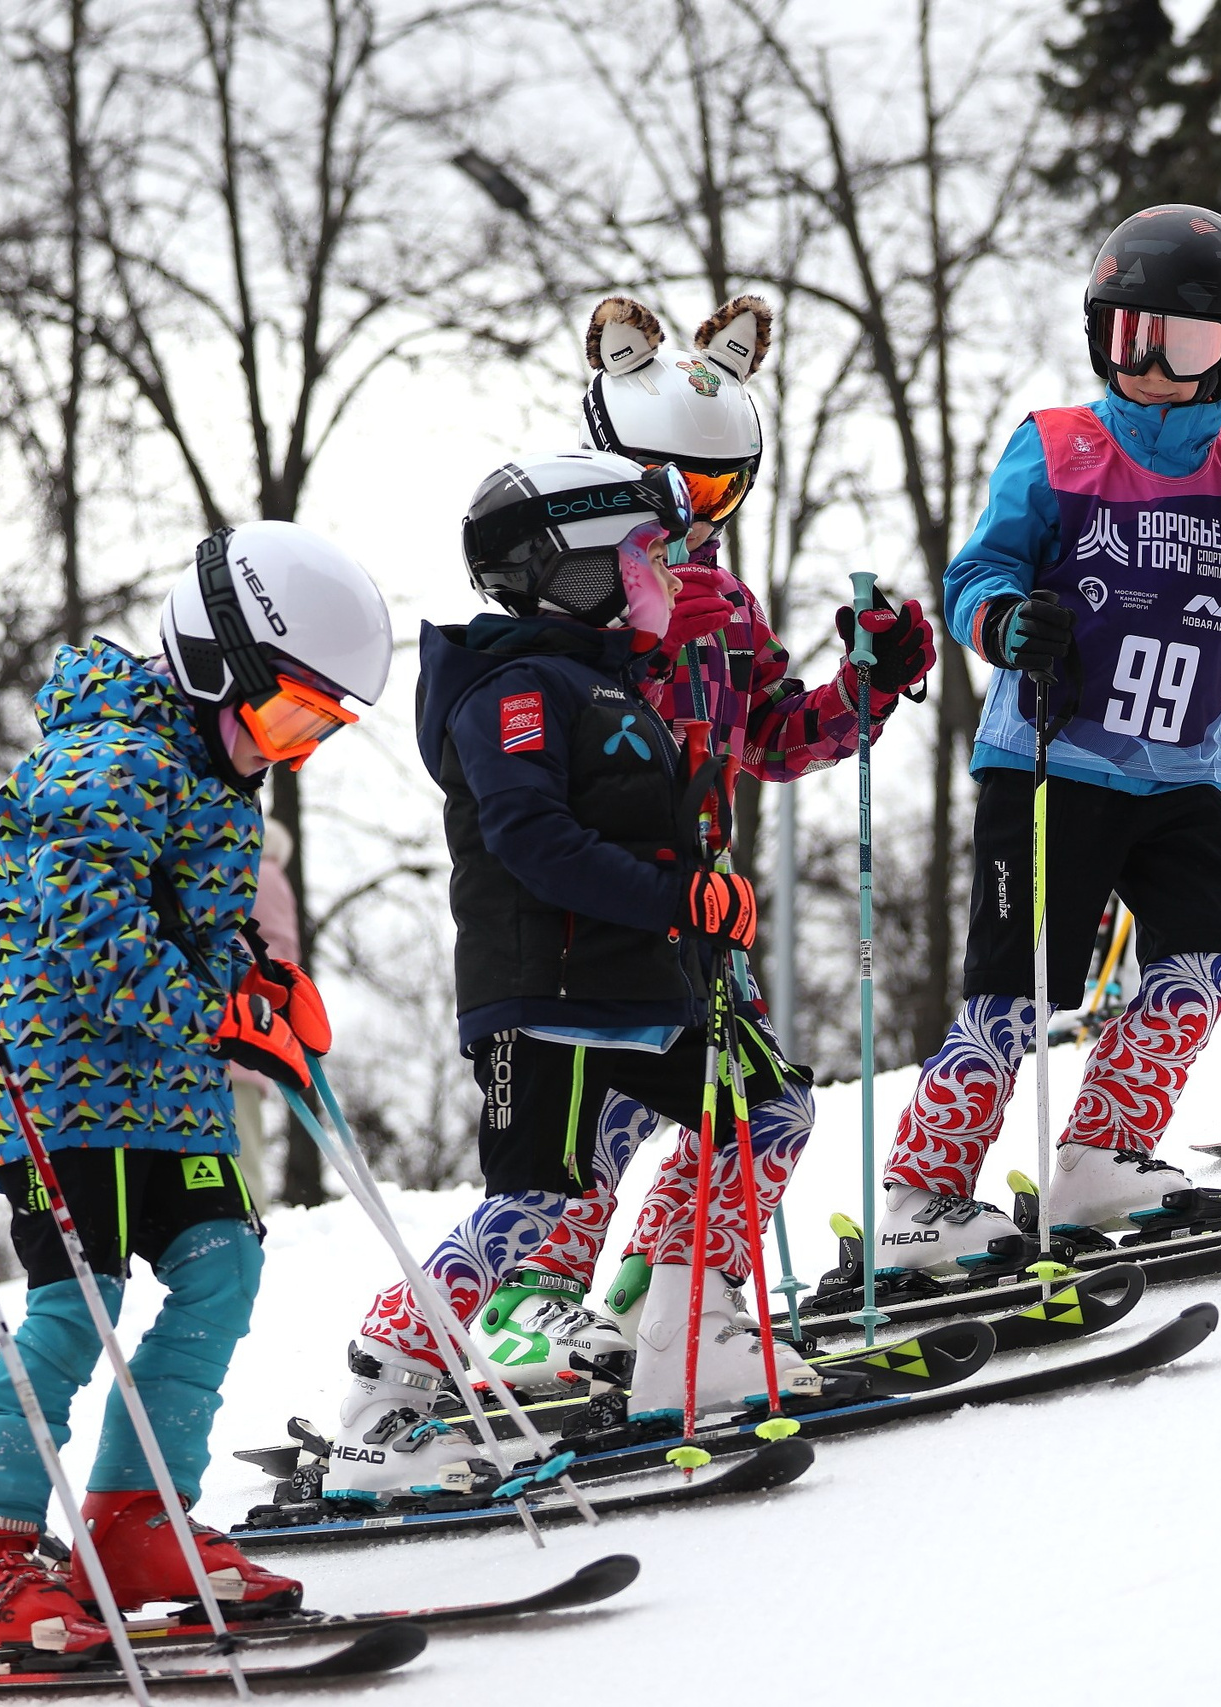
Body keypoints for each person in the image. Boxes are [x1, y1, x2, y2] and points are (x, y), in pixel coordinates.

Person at [333, 442, 934, 1488]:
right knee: (541, 1198)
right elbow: (530, 837)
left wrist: (863, 693)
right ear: (577, 567)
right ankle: (386, 1389)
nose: (678, 573)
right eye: (654, 555)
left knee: (767, 1109)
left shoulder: (611, 681)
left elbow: (755, 749)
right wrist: (678, 896)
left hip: (652, 978)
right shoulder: (512, 687)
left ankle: (686, 1331)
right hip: (550, 991)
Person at [0, 525, 392, 1658]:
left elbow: (192, 930)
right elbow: (88, 931)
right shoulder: (102, 759)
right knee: (82, 1305)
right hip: (67, 1084)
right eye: (285, 719)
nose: (291, 752)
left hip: (168, 1091)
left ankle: (134, 1514)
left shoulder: (215, 780)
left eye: (318, 731)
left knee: (224, 1264)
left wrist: (260, 985)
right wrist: (219, 1011)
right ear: (217, 665)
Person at [872, 203, 1221, 1267]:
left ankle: (1100, 1157)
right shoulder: (1058, 447)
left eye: (1184, 345)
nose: (1155, 369)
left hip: (1180, 768)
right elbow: (979, 573)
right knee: (1021, 984)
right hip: (1054, 757)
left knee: (1205, 956)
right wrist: (1005, 621)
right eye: (1131, 338)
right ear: (1101, 336)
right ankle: (922, 1194)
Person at [448, 293, 812, 1403]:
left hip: (703, 903)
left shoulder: (729, 605)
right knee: (591, 1120)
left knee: (755, 1104)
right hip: (606, 909)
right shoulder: (577, 593)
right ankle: (528, 1318)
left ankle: (671, 1305)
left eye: (719, 488)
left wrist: (875, 688)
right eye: (673, 486)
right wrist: (645, 641)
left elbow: (772, 736)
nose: (696, 514)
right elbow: (560, 733)